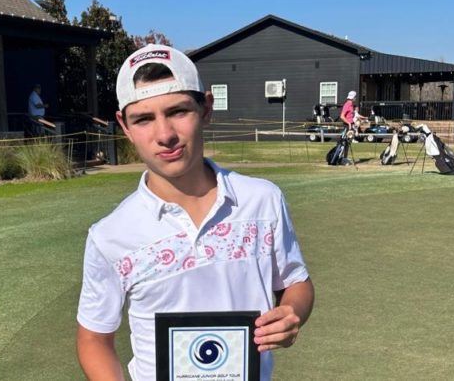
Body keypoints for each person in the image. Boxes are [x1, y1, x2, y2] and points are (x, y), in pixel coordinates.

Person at [76, 44, 314, 381]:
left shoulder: (262, 200)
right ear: (124, 126)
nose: (165, 135)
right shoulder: (110, 235)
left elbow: (296, 282)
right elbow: (93, 338)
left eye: (178, 111)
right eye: (143, 119)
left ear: (206, 108)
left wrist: (292, 312)